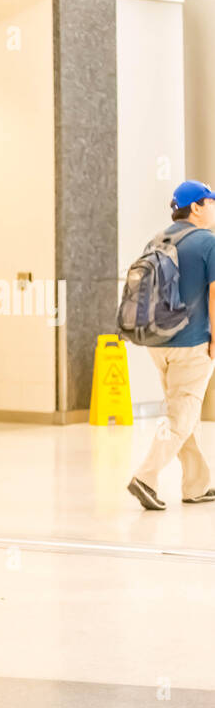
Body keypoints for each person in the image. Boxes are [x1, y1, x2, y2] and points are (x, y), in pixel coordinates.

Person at [128, 180, 215, 511]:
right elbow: (214, 294)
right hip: (192, 344)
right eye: (210, 202)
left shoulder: (157, 239)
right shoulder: (208, 243)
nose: (213, 208)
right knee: (182, 415)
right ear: (195, 207)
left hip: (157, 343)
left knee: (181, 410)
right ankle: (145, 478)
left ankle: (197, 483)